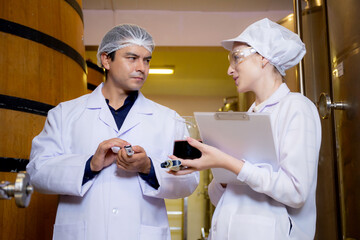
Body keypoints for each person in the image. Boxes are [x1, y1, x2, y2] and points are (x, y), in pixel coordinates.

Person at [27, 24, 199, 240]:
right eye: (132, 58)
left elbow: (187, 173)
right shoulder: (65, 114)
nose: (142, 68)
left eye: (147, 60)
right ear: (106, 60)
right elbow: (38, 171)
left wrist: (150, 167)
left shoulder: (168, 119)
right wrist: (90, 165)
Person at [170, 18, 321, 240]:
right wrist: (217, 169)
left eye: (236, 58)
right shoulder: (247, 117)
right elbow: (217, 196)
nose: (230, 69)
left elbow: (295, 192)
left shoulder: (296, 107)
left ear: (263, 58)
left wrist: (226, 162)